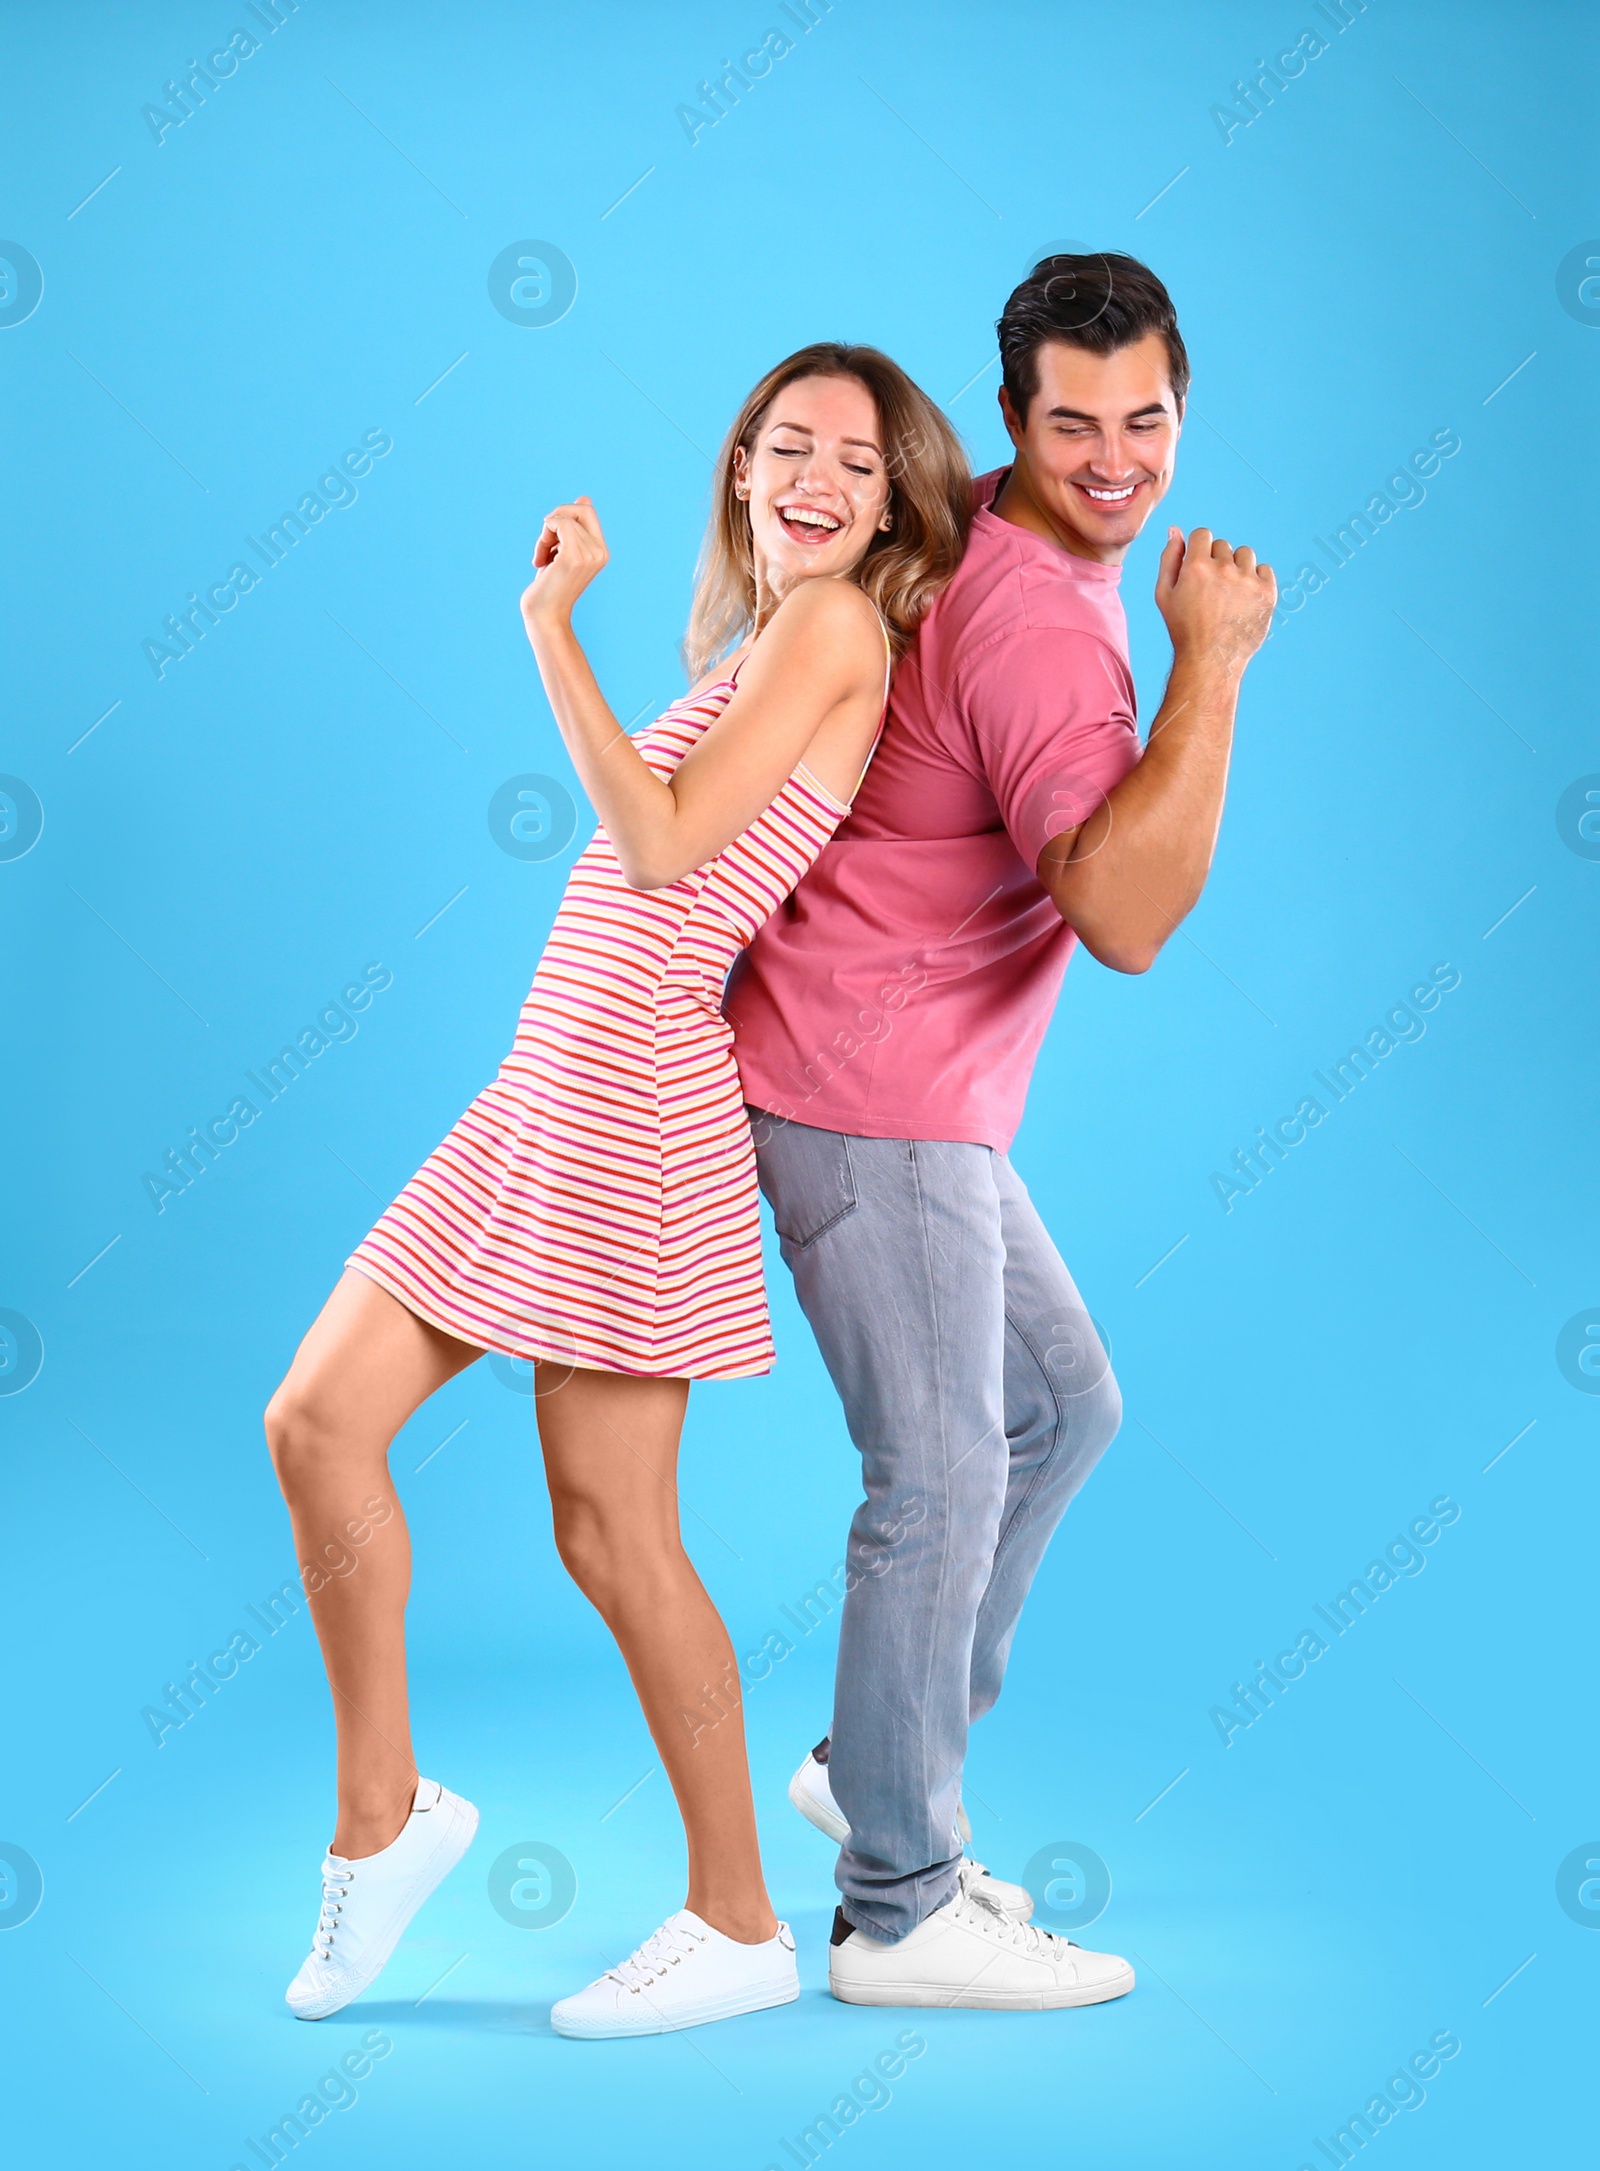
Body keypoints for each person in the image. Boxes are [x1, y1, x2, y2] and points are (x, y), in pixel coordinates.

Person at [265, 344, 969, 2038]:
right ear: (739, 469)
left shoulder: (831, 627)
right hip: (549, 1090)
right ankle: (388, 1818)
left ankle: (736, 1920)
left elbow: (661, 848)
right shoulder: (757, 638)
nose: (813, 476)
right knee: (318, 1423)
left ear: (893, 503)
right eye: (784, 444)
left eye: (855, 464)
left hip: (633, 1102)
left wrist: (547, 631)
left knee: (610, 1529)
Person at [727, 254, 1278, 2008]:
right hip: (871, 1100)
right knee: (946, 1473)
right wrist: (1216, 660)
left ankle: (871, 1755)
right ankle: (897, 1901)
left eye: (1148, 420)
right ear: (1012, 420)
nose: (1114, 458)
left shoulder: (970, 525)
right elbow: (1122, 912)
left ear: (1182, 409)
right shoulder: (1044, 610)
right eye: (1073, 422)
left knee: (1063, 1406)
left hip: (882, 1082)